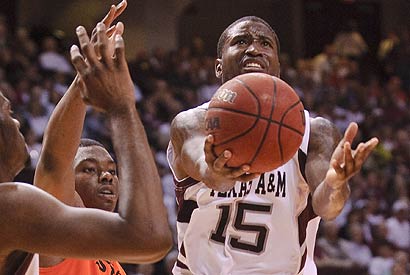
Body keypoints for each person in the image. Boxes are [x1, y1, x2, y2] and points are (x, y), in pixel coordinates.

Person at [167, 16, 379, 274]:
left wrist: (335, 185)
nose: (254, 48)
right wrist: (216, 171)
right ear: (218, 67)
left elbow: (329, 207)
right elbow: (208, 173)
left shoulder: (315, 132)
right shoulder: (191, 123)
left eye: (264, 43)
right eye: (241, 41)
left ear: (278, 68)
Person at [0, 14, 172, 275]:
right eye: (89, 169)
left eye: (112, 171)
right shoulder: (16, 211)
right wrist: (121, 106)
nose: (106, 177)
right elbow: (54, 161)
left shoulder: (106, 256)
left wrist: (88, 71)